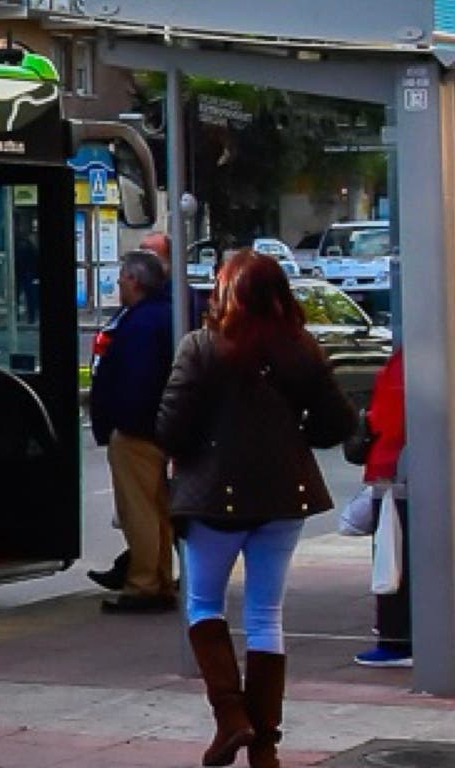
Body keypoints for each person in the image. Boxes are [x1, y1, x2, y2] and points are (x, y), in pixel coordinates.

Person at [155, 249, 356, 768]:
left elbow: (169, 427)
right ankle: (264, 747)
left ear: (227, 294)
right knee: (267, 615)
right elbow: (337, 422)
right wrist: (295, 436)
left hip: (212, 500)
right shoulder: (301, 348)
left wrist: (200, 446)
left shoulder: (200, 348)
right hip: (283, 497)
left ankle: (231, 719)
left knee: (204, 604)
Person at [88, 249, 176, 612]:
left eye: (123, 277)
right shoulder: (162, 315)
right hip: (156, 429)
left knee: (137, 511)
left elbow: (135, 380)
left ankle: (142, 585)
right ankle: (160, 580)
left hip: (137, 431)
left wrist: (121, 422)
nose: (119, 283)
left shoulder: (140, 323)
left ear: (135, 281)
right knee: (157, 512)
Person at [353, 347, 412, 667]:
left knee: (395, 555)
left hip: (395, 465)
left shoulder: (409, 357)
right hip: (407, 464)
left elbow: (389, 416)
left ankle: (397, 638)